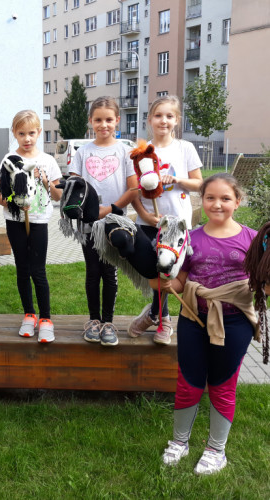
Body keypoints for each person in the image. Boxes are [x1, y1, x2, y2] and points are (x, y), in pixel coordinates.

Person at [152, 173, 257, 475]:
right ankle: (179, 441)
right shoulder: (191, 238)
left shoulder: (251, 239)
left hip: (234, 322)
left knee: (222, 384)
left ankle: (215, 449)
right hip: (192, 318)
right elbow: (180, 280)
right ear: (202, 200)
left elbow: (261, 281)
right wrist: (167, 280)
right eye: (210, 197)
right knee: (188, 381)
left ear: (238, 202)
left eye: (225, 198)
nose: (217, 204)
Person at [128, 95, 203, 344]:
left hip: (177, 223)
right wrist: (145, 215)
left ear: (177, 120)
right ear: (149, 119)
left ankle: (158, 316)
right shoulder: (141, 152)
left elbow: (199, 183)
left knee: (168, 271)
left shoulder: (185, 148)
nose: (164, 121)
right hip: (150, 221)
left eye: (169, 116)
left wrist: (177, 180)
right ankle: (161, 316)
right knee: (156, 270)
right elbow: (133, 191)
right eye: (158, 116)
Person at [69, 96, 138, 346]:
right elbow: (74, 186)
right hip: (88, 223)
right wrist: (84, 208)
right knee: (92, 272)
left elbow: (133, 188)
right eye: (98, 120)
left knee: (109, 273)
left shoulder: (125, 152)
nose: (104, 124)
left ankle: (108, 322)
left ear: (117, 120)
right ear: (91, 121)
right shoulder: (82, 152)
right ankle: (94, 320)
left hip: (114, 223)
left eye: (109, 119)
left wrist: (110, 208)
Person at [0, 110, 62, 343]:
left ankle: (46, 319)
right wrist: (14, 201)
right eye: (21, 133)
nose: (27, 138)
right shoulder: (9, 160)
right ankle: (29, 315)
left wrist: (44, 180)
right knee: (22, 269)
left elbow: (58, 195)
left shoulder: (47, 161)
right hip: (15, 221)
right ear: (14, 133)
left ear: (39, 132)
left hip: (38, 221)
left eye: (31, 133)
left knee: (38, 270)